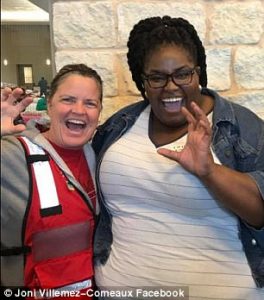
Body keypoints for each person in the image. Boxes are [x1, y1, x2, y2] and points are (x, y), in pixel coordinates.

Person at [92, 16, 264, 299]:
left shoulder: (241, 128)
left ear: (199, 73)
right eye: (157, 77)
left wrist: (208, 171)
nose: (171, 87)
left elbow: (259, 212)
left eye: (182, 74)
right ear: (142, 81)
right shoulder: (118, 126)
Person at [1, 64, 103, 298]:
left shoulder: (101, 158)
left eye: (90, 103)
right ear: (49, 104)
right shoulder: (13, 155)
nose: (79, 110)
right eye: (68, 99)